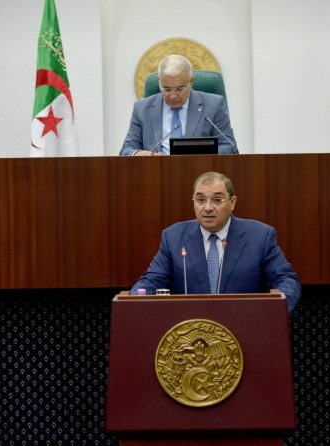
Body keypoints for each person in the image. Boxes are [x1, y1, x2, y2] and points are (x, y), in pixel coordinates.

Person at [130, 172, 301, 314]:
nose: (208, 208)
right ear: (193, 201)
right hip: (189, 332)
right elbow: (152, 280)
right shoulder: (174, 237)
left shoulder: (260, 236)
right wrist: (136, 300)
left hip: (244, 328)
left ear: (232, 202)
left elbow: (286, 280)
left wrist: (275, 310)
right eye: (201, 200)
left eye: (217, 200)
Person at [119, 55, 239, 156]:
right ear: (159, 82)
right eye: (167, 89)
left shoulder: (214, 105)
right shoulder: (142, 109)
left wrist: (198, 155)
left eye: (179, 89)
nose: (173, 96)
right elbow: (126, 150)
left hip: (201, 172)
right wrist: (138, 154)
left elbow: (230, 147)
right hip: (157, 172)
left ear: (191, 82)